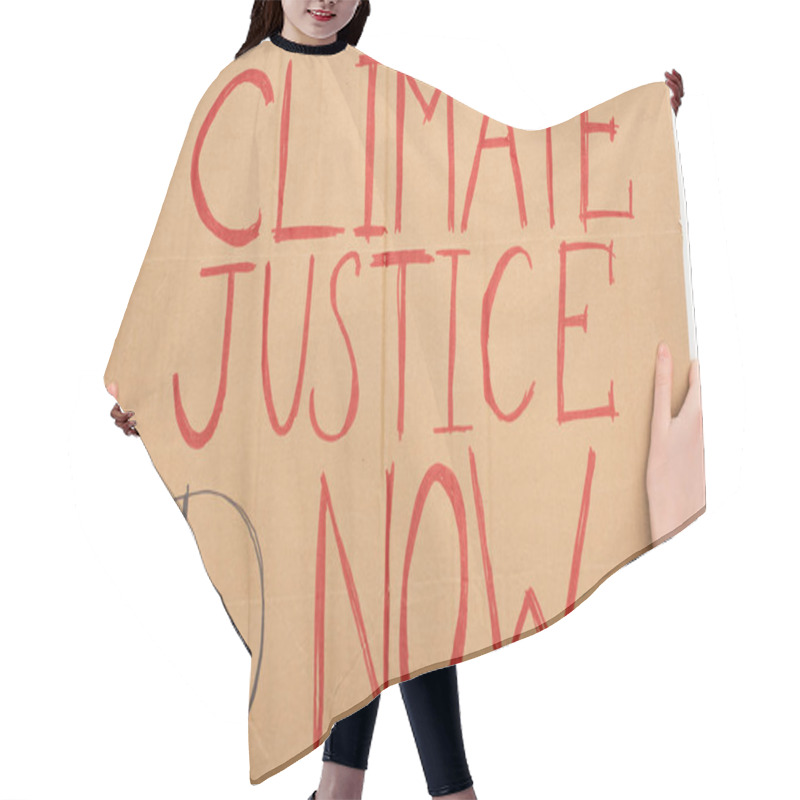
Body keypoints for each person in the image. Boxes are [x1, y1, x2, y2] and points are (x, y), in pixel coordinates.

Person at [107, 2, 692, 798]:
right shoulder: (236, 94)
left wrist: (632, 134)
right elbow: (192, 252)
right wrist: (149, 373)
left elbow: (494, 181)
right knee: (358, 584)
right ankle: (434, 791)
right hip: (296, 402)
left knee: (408, 580)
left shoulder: (381, 94)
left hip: (391, 391)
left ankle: (346, 788)